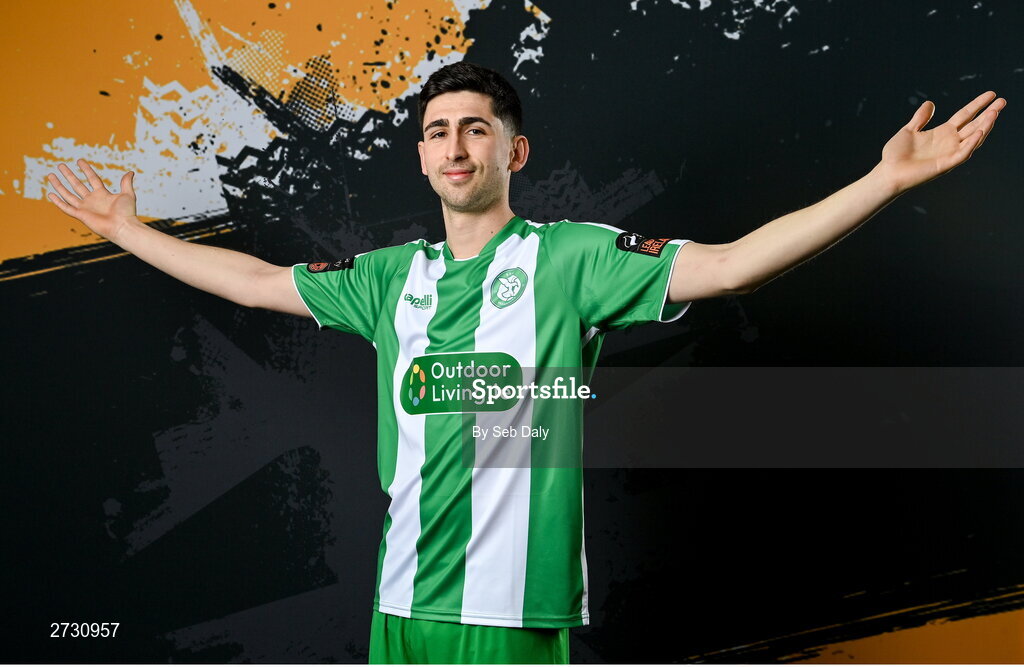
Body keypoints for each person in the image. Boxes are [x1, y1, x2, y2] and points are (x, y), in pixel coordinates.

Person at [46, 61, 1004, 664]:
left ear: (515, 147)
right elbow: (253, 282)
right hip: (398, 601)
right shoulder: (388, 279)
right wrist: (129, 231)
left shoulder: (569, 258)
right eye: (436, 132)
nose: (454, 146)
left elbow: (730, 267)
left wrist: (885, 178)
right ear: (420, 160)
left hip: (508, 614)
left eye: (474, 128)